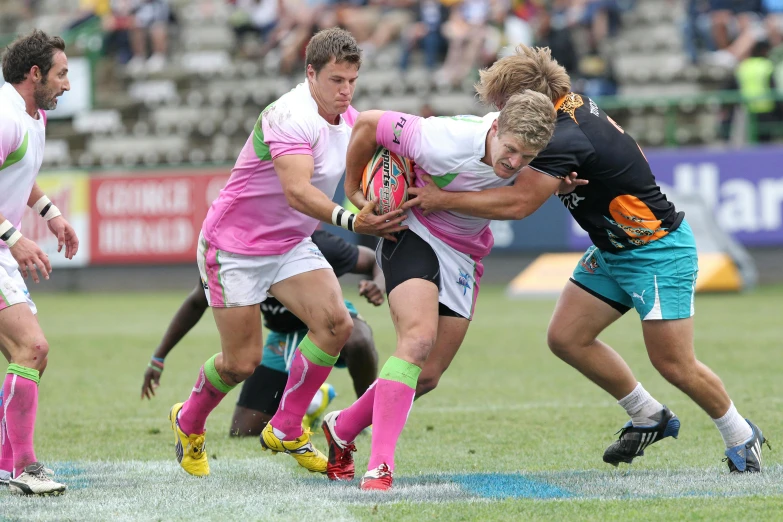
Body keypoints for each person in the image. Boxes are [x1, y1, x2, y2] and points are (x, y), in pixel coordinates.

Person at [393, 45, 768, 474]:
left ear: (525, 100)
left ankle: (741, 435)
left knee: (674, 363)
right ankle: (648, 415)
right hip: (613, 248)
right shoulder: (570, 111)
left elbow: (518, 204)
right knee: (566, 337)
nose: (496, 113)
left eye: (501, 103)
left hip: (656, 251)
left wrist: (441, 197)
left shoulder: (558, 137)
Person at [168, 28, 405, 478]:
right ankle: (189, 420)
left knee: (337, 324)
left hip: (289, 244)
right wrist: (355, 222)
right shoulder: (288, 115)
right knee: (242, 362)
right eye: (336, 80)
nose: (346, 90)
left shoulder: (351, 120)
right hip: (234, 246)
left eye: (352, 80)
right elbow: (297, 191)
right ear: (310, 73)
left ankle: (289, 424)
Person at [321, 90, 557, 490]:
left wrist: (562, 178)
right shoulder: (441, 139)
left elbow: (526, 193)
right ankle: (380, 467)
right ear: (495, 126)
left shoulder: (538, 148)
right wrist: (354, 192)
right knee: (417, 341)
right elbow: (366, 124)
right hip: (412, 228)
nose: (515, 163)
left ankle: (341, 427)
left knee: (426, 376)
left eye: (527, 159)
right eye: (511, 150)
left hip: (464, 254)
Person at [141, 230, 383, 436]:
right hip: (282, 336)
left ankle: (363, 417)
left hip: (325, 323)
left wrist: (378, 286)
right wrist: (159, 356)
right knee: (243, 430)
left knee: (359, 339)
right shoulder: (231, 253)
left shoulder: (312, 242)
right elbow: (197, 301)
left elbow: (373, 260)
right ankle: (314, 400)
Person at [0, 30, 79, 495]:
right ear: (35, 75)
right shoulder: (5, 116)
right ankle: (24, 467)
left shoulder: (33, 116)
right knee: (32, 349)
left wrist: (51, 215)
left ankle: (8, 462)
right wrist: (14, 237)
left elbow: (17, 172)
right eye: (61, 73)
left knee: (27, 358)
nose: (66, 84)